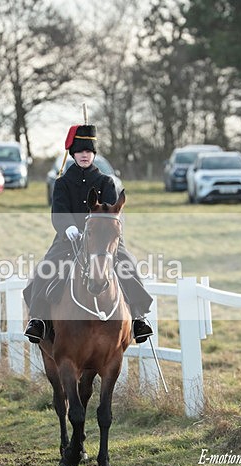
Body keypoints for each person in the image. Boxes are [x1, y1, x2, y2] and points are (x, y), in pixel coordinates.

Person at [22, 123, 153, 344]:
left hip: (104, 241)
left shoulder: (106, 182)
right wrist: (69, 228)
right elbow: (58, 212)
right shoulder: (62, 183)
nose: (84, 155)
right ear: (73, 154)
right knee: (46, 267)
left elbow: (113, 214)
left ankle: (139, 317)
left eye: (89, 151)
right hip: (69, 239)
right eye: (80, 151)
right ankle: (38, 319)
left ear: (93, 154)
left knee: (128, 263)